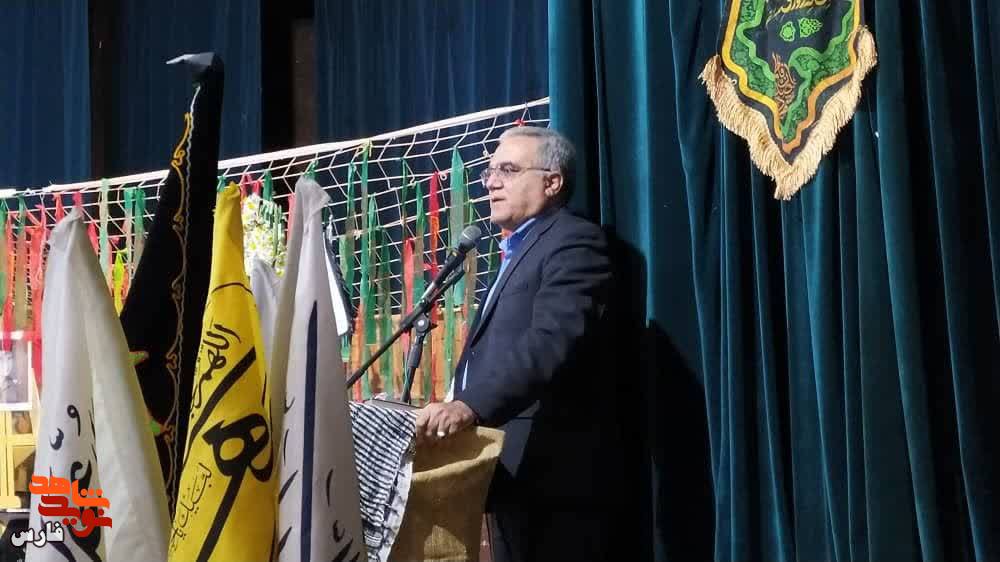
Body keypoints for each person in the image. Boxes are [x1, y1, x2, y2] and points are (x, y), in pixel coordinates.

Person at [415, 126, 621, 562]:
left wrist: (469, 405)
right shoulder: (517, 250)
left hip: (552, 473)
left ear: (552, 182)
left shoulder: (574, 242)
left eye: (507, 170)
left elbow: (550, 342)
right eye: (489, 172)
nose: (491, 183)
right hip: (509, 468)